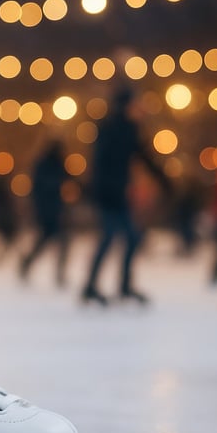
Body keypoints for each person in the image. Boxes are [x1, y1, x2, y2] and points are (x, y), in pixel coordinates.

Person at [81, 87, 172, 305]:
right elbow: (100, 163)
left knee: (129, 237)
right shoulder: (110, 129)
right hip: (107, 193)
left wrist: (163, 179)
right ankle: (91, 286)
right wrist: (103, 188)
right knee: (111, 237)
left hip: (117, 192)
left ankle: (121, 286)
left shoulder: (130, 129)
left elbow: (143, 155)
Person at [20, 139, 70, 286]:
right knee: (47, 241)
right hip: (47, 209)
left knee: (58, 241)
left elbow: (68, 178)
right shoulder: (44, 165)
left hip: (55, 209)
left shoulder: (57, 164)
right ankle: (28, 263)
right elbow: (40, 186)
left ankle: (58, 272)